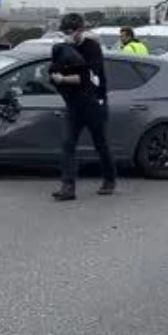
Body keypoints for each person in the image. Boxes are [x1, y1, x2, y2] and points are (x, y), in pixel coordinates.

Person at [48, 13, 117, 201]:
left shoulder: (92, 48)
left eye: (70, 32)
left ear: (81, 30)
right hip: (74, 104)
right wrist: (55, 76)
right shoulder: (63, 49)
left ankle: (109, 179)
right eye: (65, 32)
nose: (67, 35)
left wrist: (63, 79)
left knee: (100, 143)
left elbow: (87, 78)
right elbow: (53, 69)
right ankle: (68, 187)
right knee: (68, 144)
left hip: (93, 103)